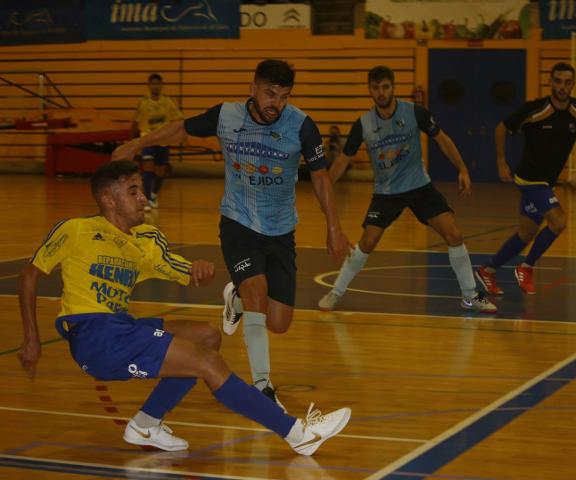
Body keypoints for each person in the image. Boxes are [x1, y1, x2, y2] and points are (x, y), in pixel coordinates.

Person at [17, 160, 351, 456]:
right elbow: (30, 276)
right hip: (96, 336)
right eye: (133, 191)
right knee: (207, 363)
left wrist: (197, 270)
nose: (143, 198)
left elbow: (183, 271)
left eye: (141, 190)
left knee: (206, 337)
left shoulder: (145, 240)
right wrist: (31, 338)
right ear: (108, 199)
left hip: (122, 328)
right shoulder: (76, 230)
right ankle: (297, 434)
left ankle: (146, 424)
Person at [112, 60, 350, 409]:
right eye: (270, 94)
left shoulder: (301, 126)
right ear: (253, 88)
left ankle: (234, 299)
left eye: (284, 97)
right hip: (238, 222)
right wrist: (137, 144)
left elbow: (319, 177)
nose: (276, 104)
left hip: (280, 230)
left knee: (279, 322)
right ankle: (263, 387)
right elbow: (180, 129)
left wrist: (334, 227)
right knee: (257, 291)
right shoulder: (226, 116)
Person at [317, 66, 496, 314]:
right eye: (376, 88)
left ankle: (470, 295)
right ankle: (335, 292)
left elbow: (442, 139)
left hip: (419, 186)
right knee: (368, 241)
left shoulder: (414, 112)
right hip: (386, 193)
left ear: (393, 87)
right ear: (370, 90)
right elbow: (342, 161)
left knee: (454, 234)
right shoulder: (363, 124)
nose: (381, 92)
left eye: (385, 87)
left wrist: (463, 169)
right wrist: (325, 188)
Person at [475, 62, 576, 295]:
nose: (562, 86)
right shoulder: (536, 109)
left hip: (548, 181)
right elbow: (501, 128)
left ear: (573, 85)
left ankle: (488, 270)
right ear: (551, 82)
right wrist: (501, 162)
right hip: (530, 178)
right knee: (558, 221)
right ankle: (526, 267)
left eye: (567, 82)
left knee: (526, 233)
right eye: (558, 81)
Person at [132, 73, 183, 211]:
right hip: (147, 141)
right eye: (152, 84)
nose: (155, 86)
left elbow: (178, 120)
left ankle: (154, 195)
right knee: (148, 169)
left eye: (157, 84)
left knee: (160, 171)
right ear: (148, 85)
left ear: (161, 85)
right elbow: (136, 122)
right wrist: (132, 142)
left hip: (163, 142)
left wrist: (183, 137)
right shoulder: (143, 102)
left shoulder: (167, 102)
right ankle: (148, 199)